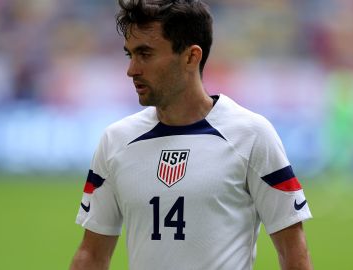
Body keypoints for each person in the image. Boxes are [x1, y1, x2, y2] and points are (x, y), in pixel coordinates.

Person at [70, 0, 313, 269]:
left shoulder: (251, 134)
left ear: (191, 56)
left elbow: (292, 250)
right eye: (130, 55)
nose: (132, 70)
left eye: (146, 54)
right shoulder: (115, 141)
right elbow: (91, 254)